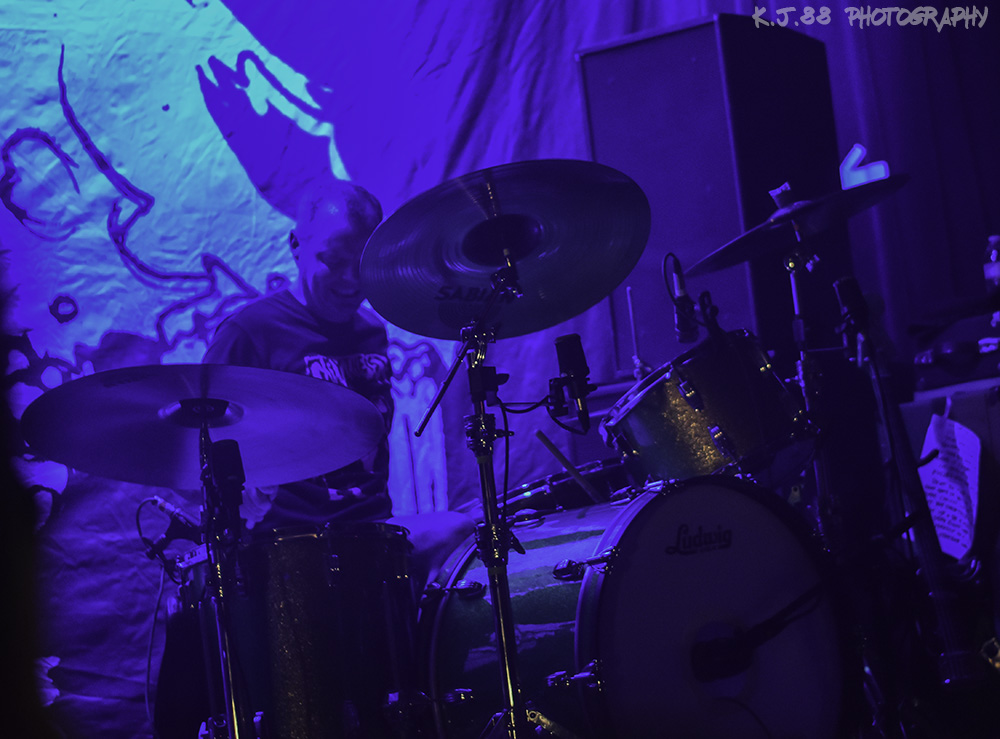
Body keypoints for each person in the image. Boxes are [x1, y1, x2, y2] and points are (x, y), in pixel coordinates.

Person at [155, 178, 474, 738]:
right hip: (289, 556)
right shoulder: (250, 334)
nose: (352, 281)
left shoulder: (372, 331)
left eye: (365, 263)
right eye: (335, 261)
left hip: (370, 539)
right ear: (296, 244)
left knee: (474, 530)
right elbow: (192, 455)